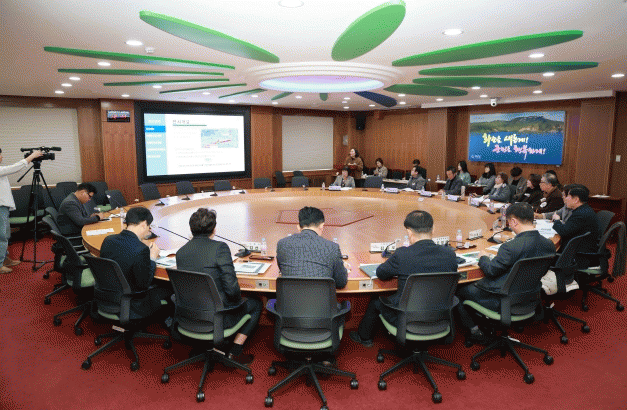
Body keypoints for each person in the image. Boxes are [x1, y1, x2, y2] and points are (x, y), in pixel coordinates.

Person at [349, 210, 457, 347]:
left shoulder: (403, 254)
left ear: (409, 232)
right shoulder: (449, 254)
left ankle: (364, 337)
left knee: (376, 301)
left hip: (406, 318)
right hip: (440, 317)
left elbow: (381, 273)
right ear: (433, 229)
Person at [457, 203, 556, 339]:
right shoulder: (549, 244)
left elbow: (491, 271)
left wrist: (483, 257)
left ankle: (474, 331)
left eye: (509, 222)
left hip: (502, 299)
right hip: (531, 296)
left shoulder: (510, 247)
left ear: (514, 221)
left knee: (459, 290)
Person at [176, 208, 262, 363]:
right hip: (218, 316)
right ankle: (235, 351)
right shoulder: (219, 248)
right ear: (214, 229)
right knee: (256, 303)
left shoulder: (181, 252)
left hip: (189, 316)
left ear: (191, 229)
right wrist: (237, 303)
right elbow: (231, 288)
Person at [100, 206, 172, 319]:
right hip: (132, 303)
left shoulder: (108, 240)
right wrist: (152, 257)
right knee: (170, 288)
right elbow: (144, 284)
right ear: (143, 224)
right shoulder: (141, 250)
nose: (149, 230)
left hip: (105, 297)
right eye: (149, 226)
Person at [541, 184, 599, 295]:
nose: (565, 198)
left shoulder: (580, 214)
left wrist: (557, 220)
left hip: (581, 255)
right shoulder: (583, 210)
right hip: (585, 249)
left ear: (576, 199)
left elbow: (564, 232)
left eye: (568, 196)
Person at [276, 206, 349, 289]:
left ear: (299, 227)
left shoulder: (282, 244)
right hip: (322, 297)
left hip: (289, 297)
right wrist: (343, 268)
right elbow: (341, 283)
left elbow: (282, 270)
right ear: (322, 226)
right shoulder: (332, 247)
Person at [0, 148, 43, 274]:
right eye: (0, 155)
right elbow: (15, 168)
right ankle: (0, 264)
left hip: (3, 207)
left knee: (5, 235)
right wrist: (32, 157)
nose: (2, 157)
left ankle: (4, 259)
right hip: (0, 207)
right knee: (1, 236)